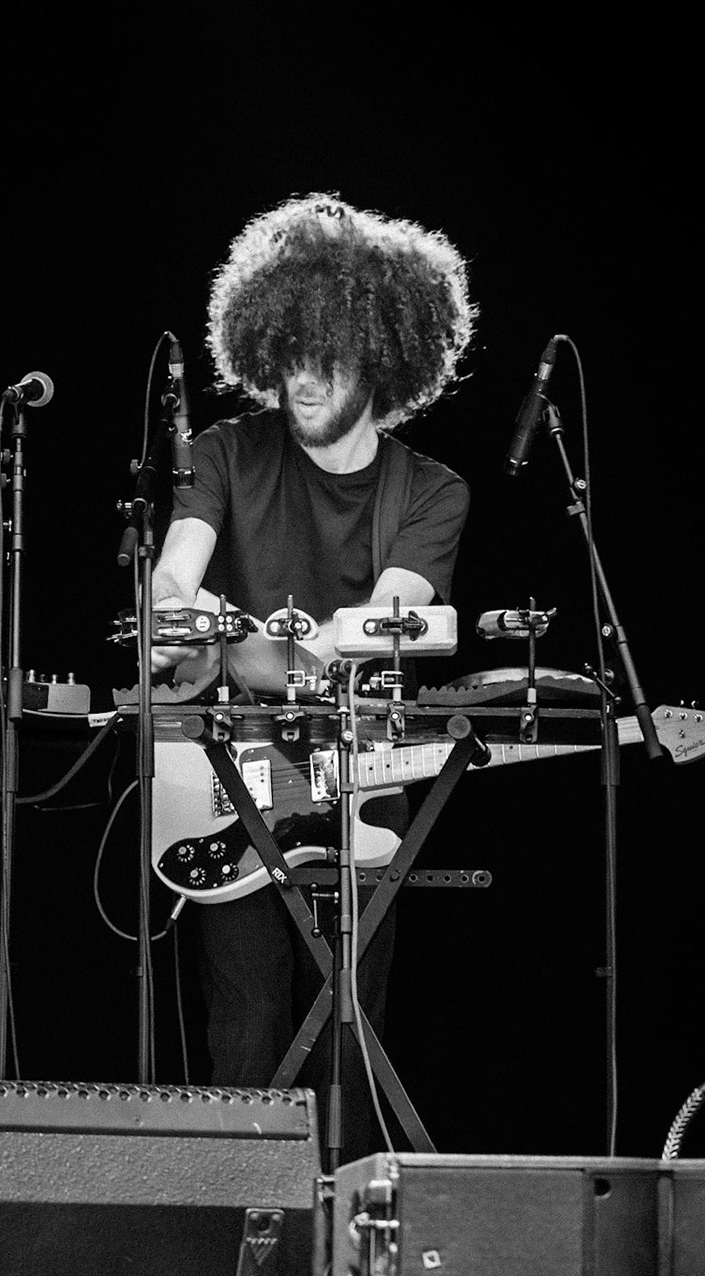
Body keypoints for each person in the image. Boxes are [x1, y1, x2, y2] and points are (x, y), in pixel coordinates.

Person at [150, 194, 474, 1154]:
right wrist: (181, 611)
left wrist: (250, 645)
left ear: (384, 357)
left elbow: (379, 629)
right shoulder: (220, 452)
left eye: (329, 354)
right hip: (229, 784)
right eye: (289, 350)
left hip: (355, 782)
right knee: (244, 1030)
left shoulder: (431, 492)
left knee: (349, 1030)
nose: (301, 376)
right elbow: (174, 576)